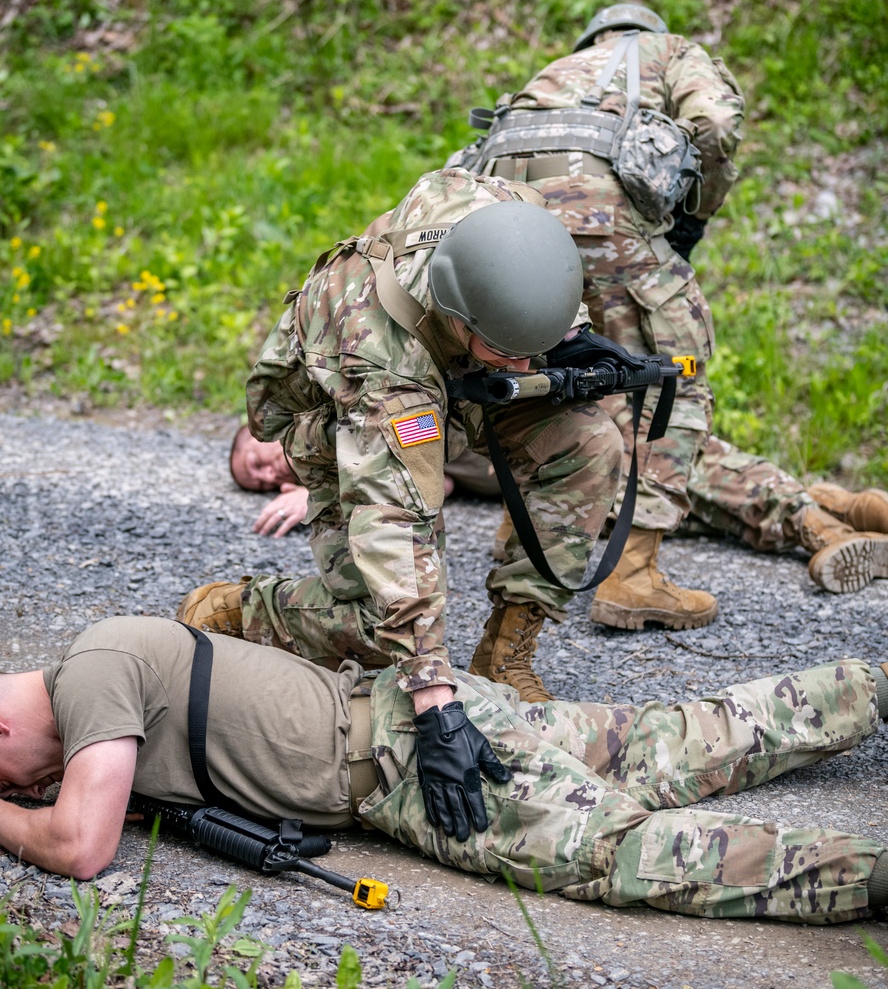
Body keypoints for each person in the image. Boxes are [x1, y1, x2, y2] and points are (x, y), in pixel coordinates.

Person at [0, 612, 888, 926]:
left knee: (637, 856)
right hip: (436, 713)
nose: (35, 796)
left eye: (15, 782)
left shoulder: (89, 675)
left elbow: (81, 847)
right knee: (689, 734)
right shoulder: (110, 663)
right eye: (16, 800)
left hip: (407, 765)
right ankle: (873, 683)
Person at [445, 2, 885, 627]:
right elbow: (715, 122)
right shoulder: (670, 51)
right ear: (644, 34)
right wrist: (691, 218)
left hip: (509, 222)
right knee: (671, 382)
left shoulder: (551, 73)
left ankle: (529, 532)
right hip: (607, 220)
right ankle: (633, 575)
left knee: (547, 375)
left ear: (591, 38)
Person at [181, 168, 625, 706]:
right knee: (380, 629)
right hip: (339, 421)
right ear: (462, 317)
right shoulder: (383, 355)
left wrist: (570, 342)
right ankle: (243, 608)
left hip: (463, 380)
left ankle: (505, 657)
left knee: (588, 443)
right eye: (512, 348)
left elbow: (542, 293)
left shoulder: (515, 230)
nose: (527, 363)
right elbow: (395, 524)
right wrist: (430, 684)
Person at [225, 424, 888, 594]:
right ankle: (841, 505)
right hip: (567, 468)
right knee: (685, 502)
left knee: (687, 472)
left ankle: (822, 526)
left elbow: (416, 479)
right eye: (255, 482)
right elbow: (441, 486)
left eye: (256, 456)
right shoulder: (339, 453)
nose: (263, 473)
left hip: (581, 436)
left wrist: (322, 490)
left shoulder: (345, 429)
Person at [228, 422, 500, 539]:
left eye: (257, 463)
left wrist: (320, 494)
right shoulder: (325, 462)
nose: (269, 475)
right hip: (512, 483)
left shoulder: (327, 424)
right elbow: (437, 483)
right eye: (263, 485)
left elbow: (412, 429)